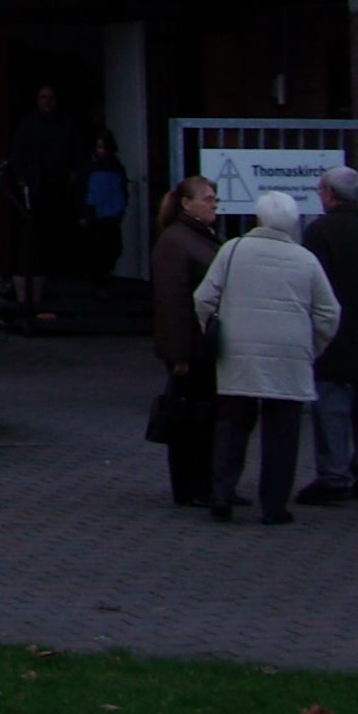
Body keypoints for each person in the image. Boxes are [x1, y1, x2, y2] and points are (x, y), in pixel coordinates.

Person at [193, 189, 342, 524]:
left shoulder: (233, 250)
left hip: (238, 350)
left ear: (258, 217)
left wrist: (213, 330)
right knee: (282, 434)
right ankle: (274, 507)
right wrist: (312, 346)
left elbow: (204, 298)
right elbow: (329, 313)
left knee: (232, 425)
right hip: (289, 353)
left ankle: (222, 494)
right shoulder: (305, 259)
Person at [298, 163, 358, 506]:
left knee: (332, 406)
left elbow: (313, 285)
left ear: (329, 194)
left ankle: (334, 476)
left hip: (333, 334)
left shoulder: (320, 232)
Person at [147, 175, 222, 507]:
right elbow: (172, 302)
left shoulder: (199, 237)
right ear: (186, 203)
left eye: (214, 198)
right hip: (190, 347)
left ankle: (208, 482)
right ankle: (191, 486)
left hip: (202, 344)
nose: (213, 205)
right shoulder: (176, 241)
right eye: (207, 199)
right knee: (190, 417)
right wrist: (179, 354)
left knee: (205, 416)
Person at [7, 83, 85, 320]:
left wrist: (74, 173)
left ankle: (60, 275)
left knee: (59, 232)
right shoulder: (28, 125)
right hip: (35, 190)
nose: (47, 102)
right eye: (43, 97)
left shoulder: (65, 125)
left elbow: (76, 152)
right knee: (33, 233)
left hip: (60, 190)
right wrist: (21, 180)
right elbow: (17, 154)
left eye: (51, 97)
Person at [75, 128, 133, 281]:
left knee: (113, 250)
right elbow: (82, 191)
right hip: (94, 215)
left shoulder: (117, 166)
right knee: (96, 252)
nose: (102, 151)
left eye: (104, 147)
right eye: (99, 147)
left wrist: (122, 207)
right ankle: (98, 284)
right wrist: (83, 213)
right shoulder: (88, 167)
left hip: (112, 215)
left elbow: (122, 189)